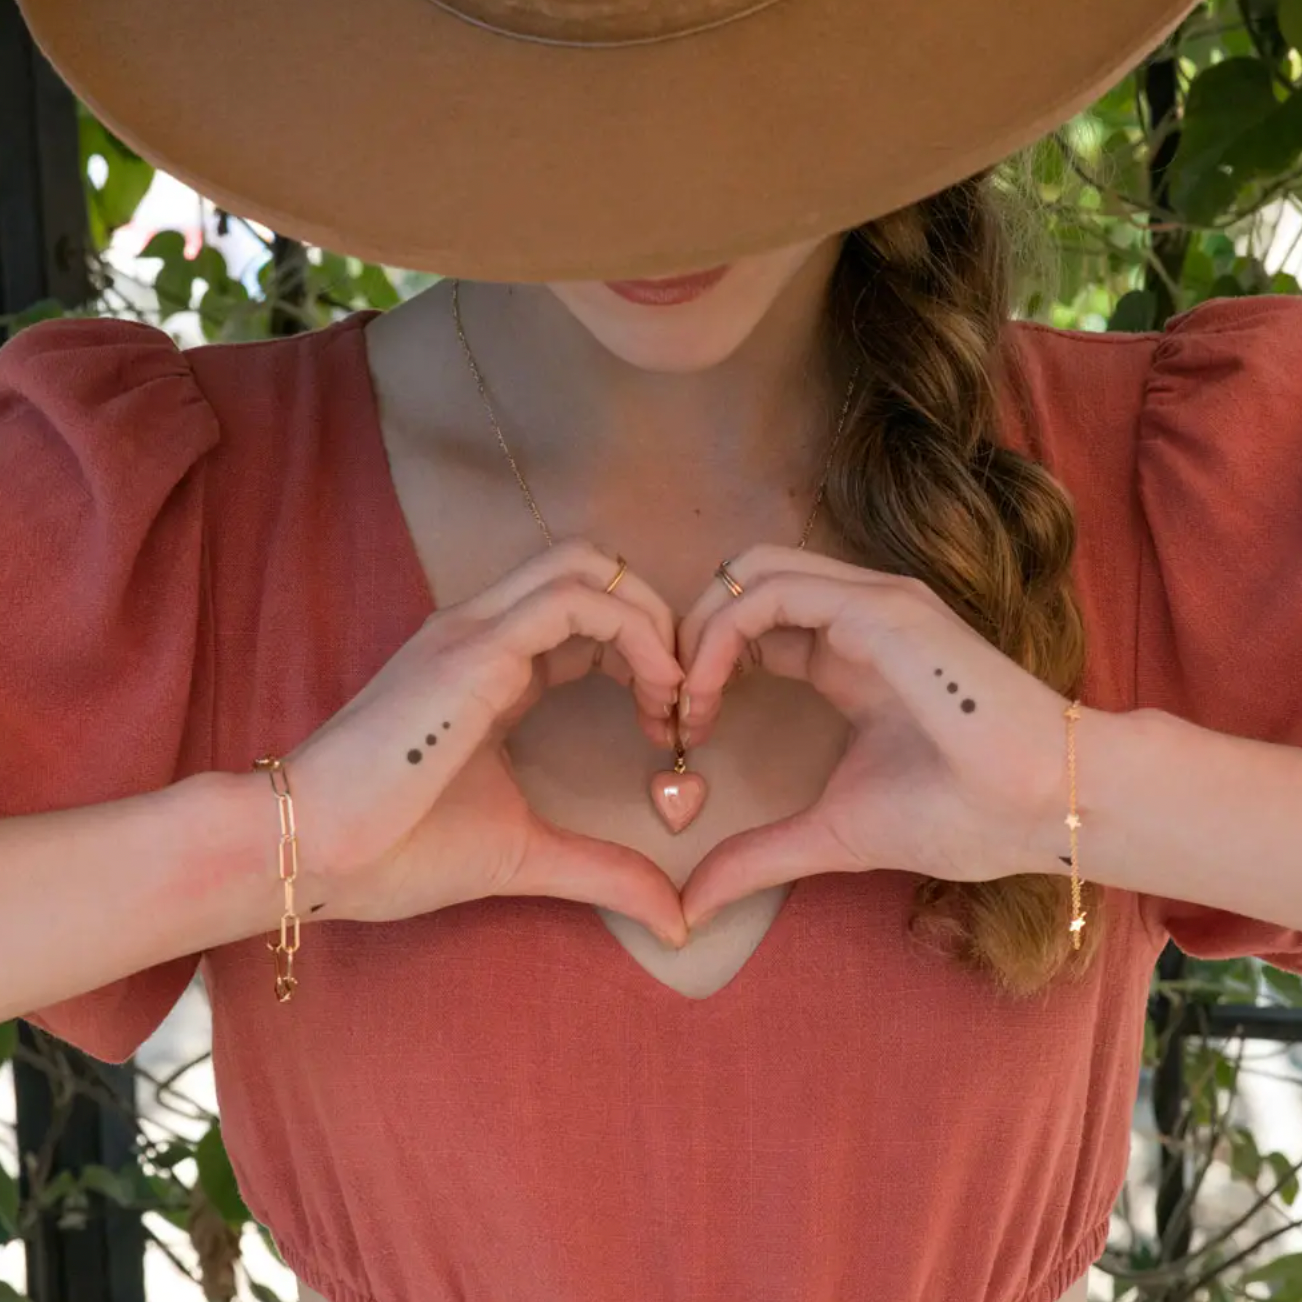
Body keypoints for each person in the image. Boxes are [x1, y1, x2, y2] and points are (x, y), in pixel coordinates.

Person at [3, 0, 1301, 1299]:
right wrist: (282, 841)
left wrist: (1084, 788)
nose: (656, 179)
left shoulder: (1161, 480)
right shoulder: (181, 510)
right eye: (589, 74)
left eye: (708, 68)